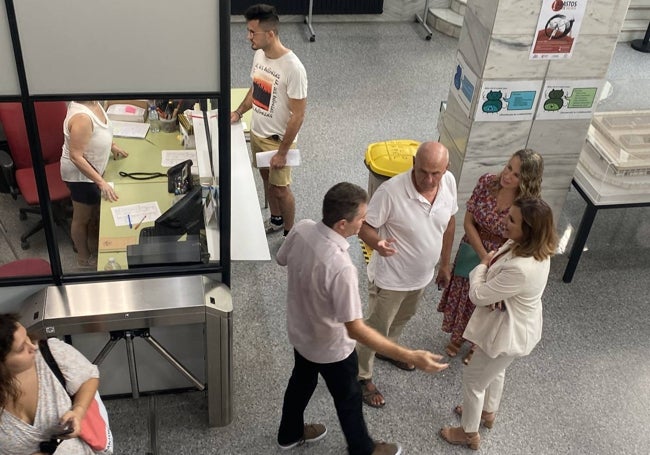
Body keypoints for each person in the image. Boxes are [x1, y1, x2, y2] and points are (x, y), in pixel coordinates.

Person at [276, 182, 448, 455]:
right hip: (332, 350)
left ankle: (289, 433)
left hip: (300, 335)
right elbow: (356, 329)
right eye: (362, 219)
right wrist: (410, 355)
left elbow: (281, 259)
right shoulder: (341, 267)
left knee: (301, 383)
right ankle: (363, 449)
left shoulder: (302, 228)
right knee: (349, 399)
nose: (365, 223)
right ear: (343, 224)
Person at [439, 198, 558, 450]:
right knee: (496, 370)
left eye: (512, 220)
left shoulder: (522, 268)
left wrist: (481, 267)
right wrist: (496, 288)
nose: (505, 220)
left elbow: (478, 295)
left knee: (473, 381)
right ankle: (487, 413)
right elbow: (498, 276)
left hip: (507, 333)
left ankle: (468, 433)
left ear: (529, 230)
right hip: (514, 326)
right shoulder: (534, 249)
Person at [356, 141, 458, 408]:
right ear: (413, 162)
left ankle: (388, 349)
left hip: (421, 277)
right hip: (391, 279)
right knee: (374, 328)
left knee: (403, 318)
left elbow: (449, 223)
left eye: (436, 173)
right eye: (423, 171)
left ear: (446, 169)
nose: (429, 179)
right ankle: (361, 375)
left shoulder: (449, 183)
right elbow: (364, 227)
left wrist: (445, 264)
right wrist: (378, 243)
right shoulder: (390, 192)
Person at [437, 149, 544, 365]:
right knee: (465, 293)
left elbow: (522, 238)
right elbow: (468, 221)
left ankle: (477, 344)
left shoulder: (527, 205)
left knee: (489, 302)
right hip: (473, 245)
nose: (507, 175)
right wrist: (484, 256)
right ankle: (457, 336)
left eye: (516, 175)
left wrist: (491, 262)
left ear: (527, 181)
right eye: (508, 167)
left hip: (502, 255)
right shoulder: (486, 182)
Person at [231, 3, 307, 237]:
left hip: (278, 141)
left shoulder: (293, 68)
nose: (248, 37)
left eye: (253, 32)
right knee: (266, 178)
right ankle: (275, 220)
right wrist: (238, 112)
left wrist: (283, 152)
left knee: (281, 189)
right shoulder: (259, 55)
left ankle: (290, 233)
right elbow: (256, 88)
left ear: (270, 34)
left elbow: (298, 115)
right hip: (258, 132)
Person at [0, 313, 100, 454]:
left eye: (27, 336)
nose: (32, 347)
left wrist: (78, 411)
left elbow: (89, 378)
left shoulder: (51, 353)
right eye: (21, 348)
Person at [60, 100, 128, 268]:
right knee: (82, 218)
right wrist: (100, 182)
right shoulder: (82, 118)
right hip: (81, 177)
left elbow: (98, 132)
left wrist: (111, 145)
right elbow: (76, 156)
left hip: (94, 170)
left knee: (94, 212)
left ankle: (94, 243)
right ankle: (83, 258)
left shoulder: (94, 103)